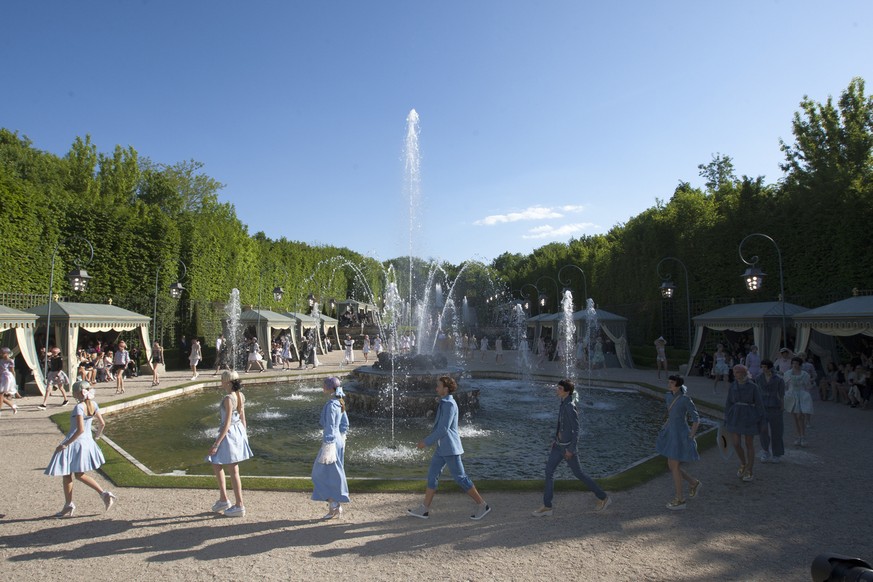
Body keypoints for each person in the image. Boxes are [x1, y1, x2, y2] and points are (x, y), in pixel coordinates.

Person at [407, 376, 491, 521]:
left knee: (461, 478)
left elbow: (443, 429)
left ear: (446, 389)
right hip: (442, 448)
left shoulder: (449, 404)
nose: (436, 388)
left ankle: (482, 505)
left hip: (450, 448)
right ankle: (424, 509)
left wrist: (426, 442)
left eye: (438, 386)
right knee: (432, 475)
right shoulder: (445, 402)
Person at [532, 379, 611, 516]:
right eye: (557, 388)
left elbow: (576, 429)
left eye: (559, 388)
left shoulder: (569, 406)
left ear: (567, 391)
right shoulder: (563, 403)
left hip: (567, 449)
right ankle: (547, 506)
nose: (557, 390)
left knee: (579, 474)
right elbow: (560, 423)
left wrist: (571, 449)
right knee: (548, 472)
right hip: (558, 446)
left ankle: (604, 497)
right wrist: (555, 439)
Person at [44, 380, 117, 517]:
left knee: (68, 473)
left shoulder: (79, 407)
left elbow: (80, 430)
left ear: (78, 393)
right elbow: (102, 424)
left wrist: (65, 444)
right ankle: (101, 495)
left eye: (74, 392)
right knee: (77, 474)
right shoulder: (93, 405)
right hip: (86, 442)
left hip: (75, 442)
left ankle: (70, 503)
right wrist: (96, 437)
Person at [206, 370, 252, 517]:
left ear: (227, 382)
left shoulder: (228, 398)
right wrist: (244, 436)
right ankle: (224, 499)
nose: (221, 382)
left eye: (222, 380)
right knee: (219, 464)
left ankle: (238, 504)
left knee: (228, 467)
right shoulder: (240, 395)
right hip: (237, 432)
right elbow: (243, 419)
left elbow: (226, 424)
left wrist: (216, 444)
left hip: (230, 433)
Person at [655, 374, 701, 510]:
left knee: (673, 466)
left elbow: (696, 419)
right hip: (670, 432)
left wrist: (691, 436)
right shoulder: (668, 396)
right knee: (672, 466)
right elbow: (671, 414)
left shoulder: (686, 399)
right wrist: (665, 426)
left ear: (678, 384)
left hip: (680, 434)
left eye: (672, 382)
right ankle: (693, 483)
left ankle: (680, 499)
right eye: (668, 382)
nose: (669, 384)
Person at [311, 377, 350, 519]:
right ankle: (334, 505)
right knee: (332, 473)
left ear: (329, 388)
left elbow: (331, 426)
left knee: (319, 474)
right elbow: (344, 424)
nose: (322, 387)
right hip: (337, 440)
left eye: (324, 385)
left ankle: (334, 504)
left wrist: (329, 443)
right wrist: (341, 438)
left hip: (331, 442)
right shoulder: (339, 402)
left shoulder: (332, 405)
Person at [725, 364, 765, 482]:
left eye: (737, 372)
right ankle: (743, 463)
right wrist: (726, 416)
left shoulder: (753, 387)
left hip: (749, 415)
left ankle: (750, 469)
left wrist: (762, 420)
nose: (735, 374)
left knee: (749, 443)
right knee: (736, 443)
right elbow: (728, 402)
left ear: (743, 373)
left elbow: (759, 404)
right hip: (736, 415)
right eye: (734, 372)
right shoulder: (733, 386)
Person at [756, 359, 785, 463]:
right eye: (762, 367)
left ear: (770, 367)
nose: (763, 369)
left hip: (775, 406)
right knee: (763, 430)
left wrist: (782, 405)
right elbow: (756, 392)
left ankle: (777, 453)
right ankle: (765, 450)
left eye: (765, 367)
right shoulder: (759, 378)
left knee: (777, 431)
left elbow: (781, 394)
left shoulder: (778, 379)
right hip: (762, 406)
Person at [783, 356, 814, 445]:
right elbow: (786, 384)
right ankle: (798, 436)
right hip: (792, 395)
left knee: (800, 416)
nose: (795, 365)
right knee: (795, 418)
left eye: (796, 363)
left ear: (800, 364)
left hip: (801, 395)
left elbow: (808, 386)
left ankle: (803, 436)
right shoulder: (788, 373)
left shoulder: (804, 374)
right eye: (793, 363)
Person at [0, 347, 19, 414]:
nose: (1, 354)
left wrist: (14, 381)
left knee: (1, 394)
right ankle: (12, 405)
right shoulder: (1, 361)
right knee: (1, 395)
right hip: (1, 377)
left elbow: (12, 371)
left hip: (7, 378)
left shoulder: (10, 361)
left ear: (7, 353)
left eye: (3, 353)